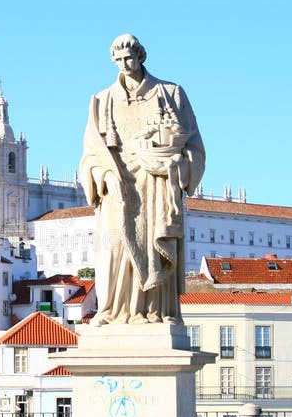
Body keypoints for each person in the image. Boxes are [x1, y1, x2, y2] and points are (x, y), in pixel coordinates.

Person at [80, 33, 205, 325]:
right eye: (118, 60)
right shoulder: (102, 101)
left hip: (157, 187)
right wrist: (104, 176)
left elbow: (195, 149)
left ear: (140, 57)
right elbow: (89, 157)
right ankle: (111, 311)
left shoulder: (171, 94)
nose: (124, 65)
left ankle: (158, 312)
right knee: (114, 250)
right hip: (117, 189)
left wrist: (174, 165)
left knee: (153, 249)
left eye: (129, 58)